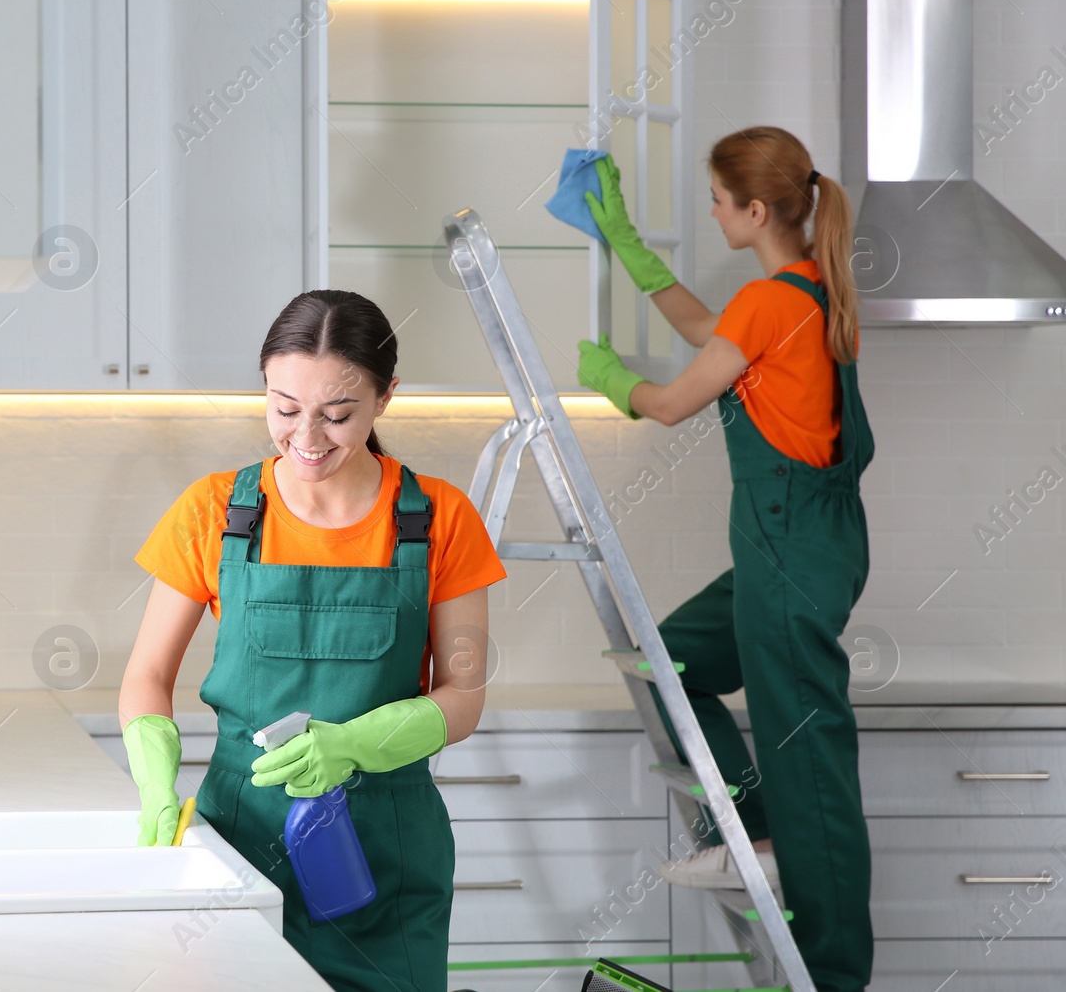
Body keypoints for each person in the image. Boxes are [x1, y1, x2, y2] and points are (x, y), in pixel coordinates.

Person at [118, 290, 508, 992]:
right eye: (284, 408)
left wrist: (353, 745)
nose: (307, 437)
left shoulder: (439, 518)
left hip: (385, 850)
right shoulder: (215, 511)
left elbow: (464, 696)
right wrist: (153, 782)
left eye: (337, 414)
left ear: (386, 397)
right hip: (237, 839)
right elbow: (148, 672)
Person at [575, 126, 874, 992]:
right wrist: (627, 249)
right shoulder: (799, 294)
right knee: (668, 660)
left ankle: (832, 974)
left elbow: (671, 402)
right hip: (807, 551)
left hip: (787, 555)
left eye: (716, 199)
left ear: (753, 210)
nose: (710, 211)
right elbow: (712, 330)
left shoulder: (773, 301)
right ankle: (757, 838)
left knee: (809, 758)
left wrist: (611, 378)